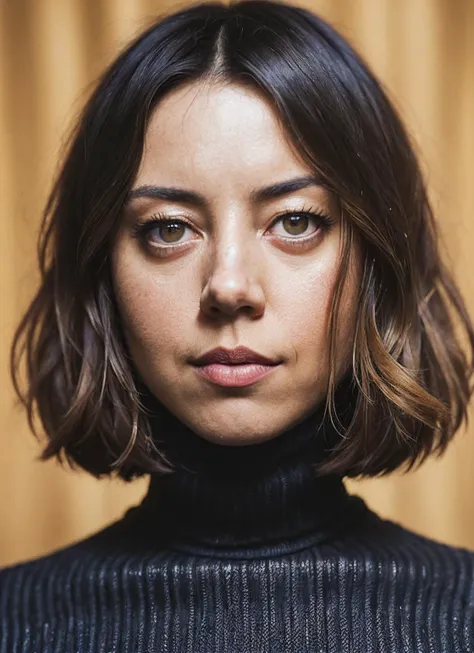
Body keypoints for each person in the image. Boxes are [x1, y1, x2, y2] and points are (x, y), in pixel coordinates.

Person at [1, 0, 474, 650]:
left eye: (296, 221)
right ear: (101, 268)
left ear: (375, 261)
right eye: (168, 229)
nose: (228, 286)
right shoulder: (15, 622)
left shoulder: (462, 614)